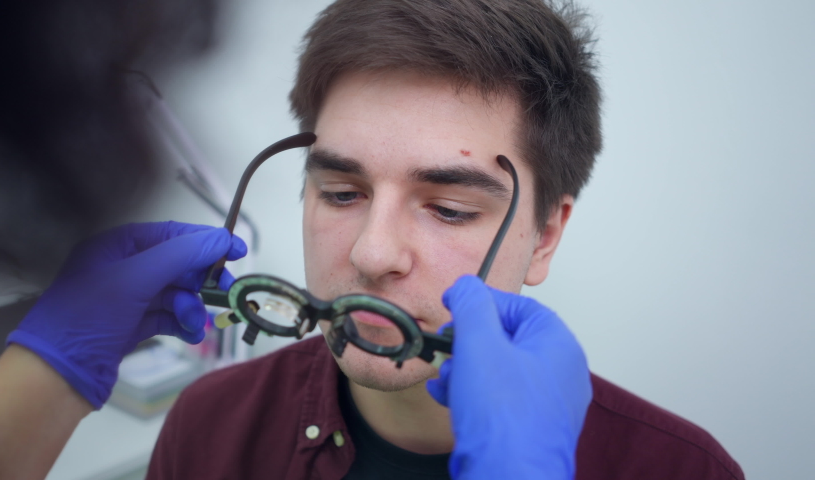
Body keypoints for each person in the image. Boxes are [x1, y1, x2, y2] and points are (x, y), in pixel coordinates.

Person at [145, 1, 745, 479]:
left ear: (545, 237)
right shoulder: (208, 426)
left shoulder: (688, 470)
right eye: (342, 194)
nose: (372, 255)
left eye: (450, 209)